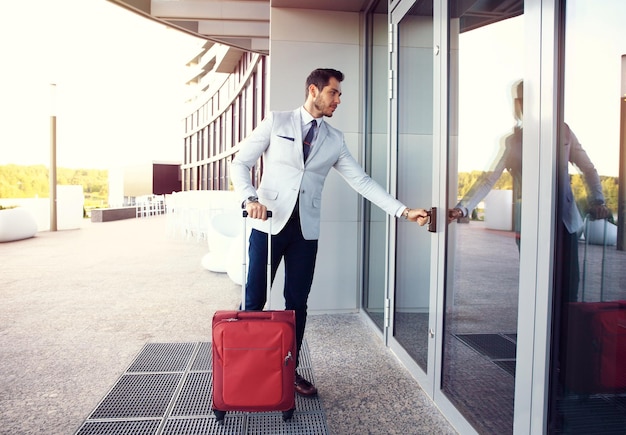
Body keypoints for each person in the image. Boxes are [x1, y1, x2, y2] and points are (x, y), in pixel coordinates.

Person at [230, 68, 429, 397]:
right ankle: (245, 370)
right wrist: (250, 198)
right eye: (333, 93)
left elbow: (361, 181)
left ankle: (288, 370)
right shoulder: (276, 121)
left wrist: (404, 210)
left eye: (338, 94)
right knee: (254, 299)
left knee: (297, 303)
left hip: (305, 232)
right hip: (267, 223)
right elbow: (240, 163)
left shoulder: (334, 139)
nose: (338, 99)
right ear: (314, 90)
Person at [448, 80, 610, 300]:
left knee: (569, 287)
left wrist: (597, 200)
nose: (528, 105)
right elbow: (489, 179)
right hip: (531, 226)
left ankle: (561, 333)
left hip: (565, 224)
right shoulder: (513, 142)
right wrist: (463, 208)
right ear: (518, 104)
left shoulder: (563, 132)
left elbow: (588, 169)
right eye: (523, 100)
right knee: (536, 286)